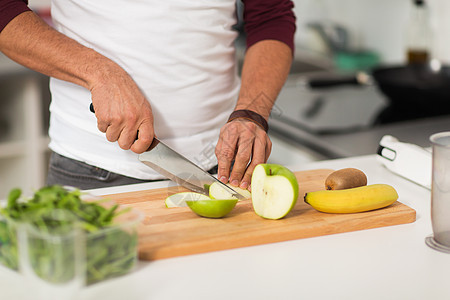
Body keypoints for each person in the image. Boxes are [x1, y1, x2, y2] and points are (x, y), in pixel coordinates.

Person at [0, 0, 296, 190]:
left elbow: (271, 16)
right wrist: (99, 73)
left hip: (222, 168)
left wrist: (251, 111)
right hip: (92, 170)